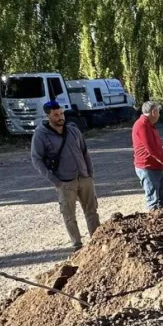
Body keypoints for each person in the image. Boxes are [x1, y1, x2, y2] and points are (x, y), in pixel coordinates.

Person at [30, 101, 100, 251]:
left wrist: (90, 174)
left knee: (92, 211)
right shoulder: (41, 135)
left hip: (84, 177)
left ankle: (97, 241)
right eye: (56, 115)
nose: (60, 117)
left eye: (61, 113)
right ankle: (77, 245)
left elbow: (84, 152)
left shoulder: (73, 130)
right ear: (48, 116)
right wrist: (55, 181)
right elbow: (37, 160)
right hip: (64, 182)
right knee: (69, 216)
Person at [132, 101, 163, 211]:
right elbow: (151, 149)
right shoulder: (142, 125)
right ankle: (155, 224)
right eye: (158, 112)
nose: (159, 115)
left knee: (162, 197)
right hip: (147, 167)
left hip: (157, 166)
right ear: (153, 112)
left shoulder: (150, 125)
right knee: (153, 200)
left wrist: (162, 162)